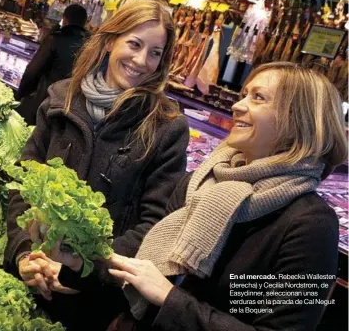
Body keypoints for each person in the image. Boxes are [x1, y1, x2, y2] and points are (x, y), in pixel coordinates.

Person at [41, 61, 346, 331]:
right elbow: (141, 278)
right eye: (244, 94)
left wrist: (169, 299)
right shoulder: (200, 183)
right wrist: (81, 265)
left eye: (258, 98)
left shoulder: (311, 225)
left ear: (298, 122)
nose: (237, 106)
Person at [5, 0, 191, 330]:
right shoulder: (61, 98)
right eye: (134, 44)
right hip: (31, 279)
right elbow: (23, 183)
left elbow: (154, 227)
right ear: (109, 41)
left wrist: (84, 269)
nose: (141, 60)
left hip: (93, 302)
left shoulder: (167, 127)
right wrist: (24, 256)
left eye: (155, 52)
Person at [15, 4, 90, 125]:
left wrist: (20, 95)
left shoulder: (55, 39)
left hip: (46, 103)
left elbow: (32, 72)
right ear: (85, 22)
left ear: (64, 20)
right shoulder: (90, 46)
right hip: (71, 110)